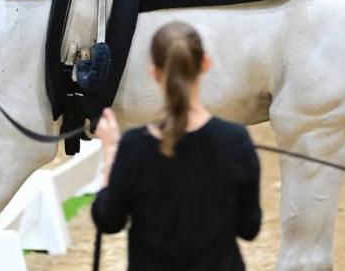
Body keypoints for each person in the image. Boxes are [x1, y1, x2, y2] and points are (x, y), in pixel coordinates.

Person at [92, 21, 261, 270]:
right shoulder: (236, 141)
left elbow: (108, 220)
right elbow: (249, 228)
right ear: (205, 64)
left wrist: (110, 153)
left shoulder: (134, 146)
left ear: (155, 73)